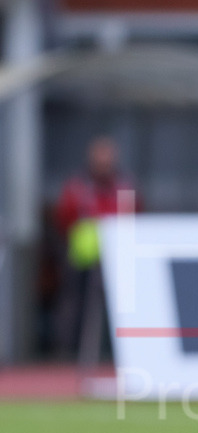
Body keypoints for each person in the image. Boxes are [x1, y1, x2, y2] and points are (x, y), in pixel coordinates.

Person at [53, 135, 137, 366]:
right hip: (83, 255)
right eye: (100, 157)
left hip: (117, 255)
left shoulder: (124, 184)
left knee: (117, 305)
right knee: (75, 303)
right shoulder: (77, 185)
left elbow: (135, 213)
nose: (103, 163)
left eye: (107, 157)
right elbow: (64, 216)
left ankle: (114, 350)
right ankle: (67, 351)